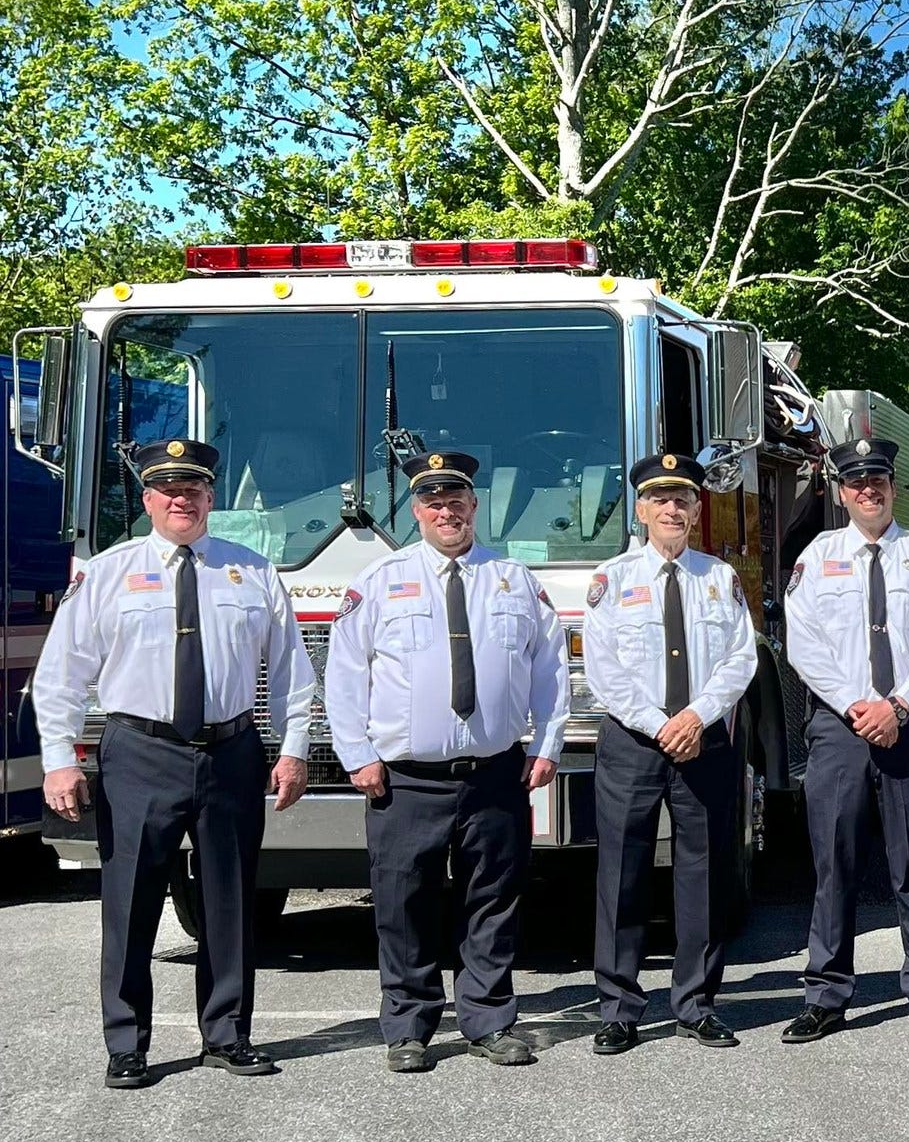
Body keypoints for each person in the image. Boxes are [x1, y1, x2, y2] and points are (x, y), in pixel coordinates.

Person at [36, 438, 314, 1090]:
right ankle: (126, 1043)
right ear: (147, 499)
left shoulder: (253, 572)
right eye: (168, 490)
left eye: (193, 489)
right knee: (130, 901)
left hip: (230, 750)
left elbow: (292, 669)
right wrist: (58, 758)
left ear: (211, 498)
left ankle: (228, 1033)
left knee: (230, 899)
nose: (181, 499)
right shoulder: (107, 572)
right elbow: (61, 674)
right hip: (139, 751)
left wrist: (295, 746)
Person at [324, 451, 569, 1073]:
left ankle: (489, 1020)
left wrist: (546, 744)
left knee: (494, 899)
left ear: (474, 506)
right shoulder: (379, 581)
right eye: (433, 502)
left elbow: (549, 670)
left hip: (495, 773)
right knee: (403, 903)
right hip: (406, 779)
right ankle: (409, 1027)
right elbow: (345, 673)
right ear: (416, 511)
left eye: (456, 500)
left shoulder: (515, 580)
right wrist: (357, 754)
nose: (446, 511)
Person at [781, 437, 909, 1043]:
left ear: (893, 488)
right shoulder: (818, 557)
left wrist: (900, 704)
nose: (869, 490)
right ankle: (826, 995)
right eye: (857, 482)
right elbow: (804, 644)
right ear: (842, 493)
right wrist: (857, 706)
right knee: (834, 864)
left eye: (878, 480)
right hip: (841, 728)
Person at [582, 452, 758, 1053]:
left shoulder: (719, 578)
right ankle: (618, 1008)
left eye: (682, 499)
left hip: (703, 740)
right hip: (634, 742)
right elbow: (603, 669)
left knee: (704, 873)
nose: (672, 509)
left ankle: (697, 1003)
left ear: (697, 509)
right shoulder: (611, 580)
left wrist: (696, 716)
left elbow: (740, 658)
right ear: (641, 510)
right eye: (660, 499)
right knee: (621, 874)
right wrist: (662, 725)